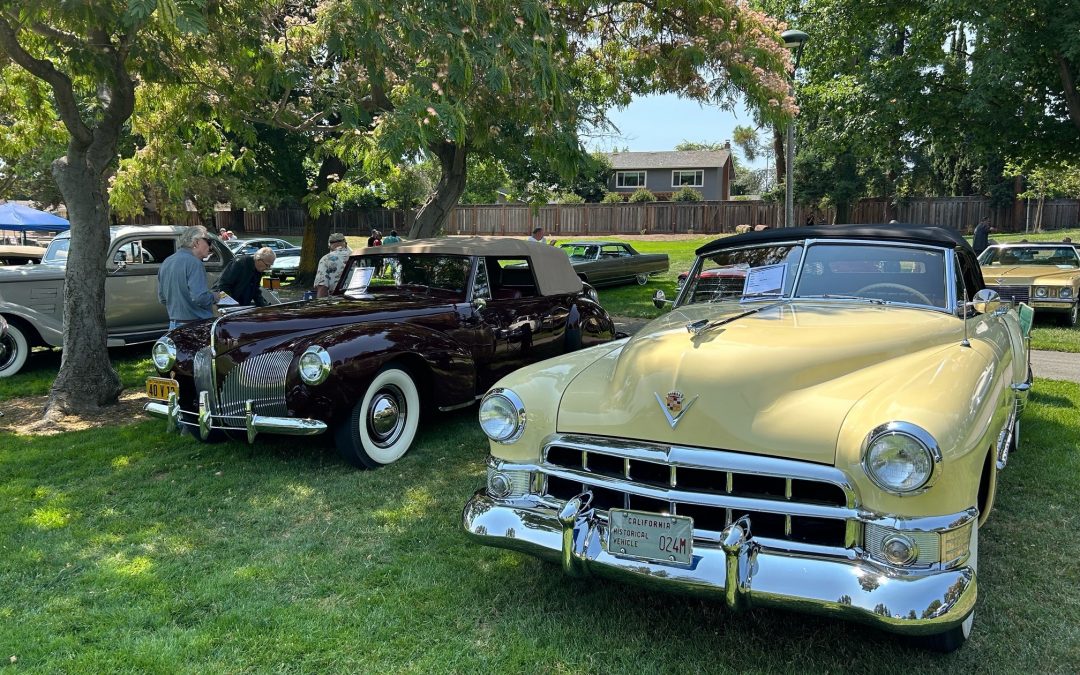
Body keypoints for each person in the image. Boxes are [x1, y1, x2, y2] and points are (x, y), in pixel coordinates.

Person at [158, 225, 221, 329]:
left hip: (173, 324)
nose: (210, 247)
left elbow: (162, 298)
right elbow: (200, 298)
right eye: (208, 242)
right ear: (196, 242)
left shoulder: (167, 261)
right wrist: (214, 296)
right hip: (195, 326)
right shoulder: (194, 263)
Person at [315, 232, 352, 297]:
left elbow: (322, 286)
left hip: (336, 302)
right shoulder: (357, 257)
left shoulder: (325, 259)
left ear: (329, 245)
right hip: (358, 300)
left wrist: (321, 305)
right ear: (345, 244)